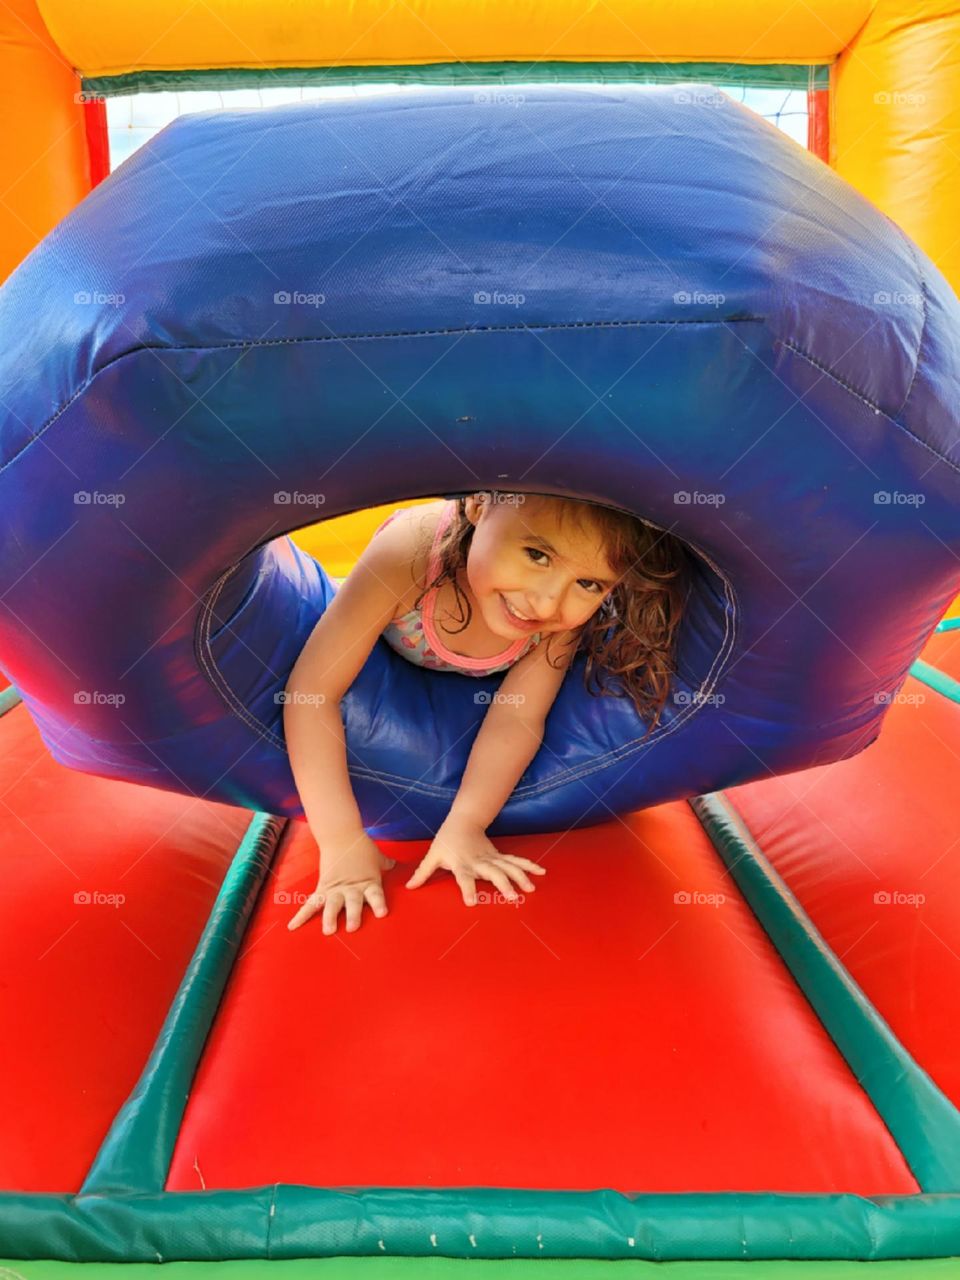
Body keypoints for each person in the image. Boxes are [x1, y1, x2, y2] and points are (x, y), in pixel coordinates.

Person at [284, 491, 691, 935]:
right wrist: (341, 843)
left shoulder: (562, 622)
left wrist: (466, 825)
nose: (547, 602)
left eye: (590, 584)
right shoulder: (409, 554)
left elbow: (516, 717)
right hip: (394, 635)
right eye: (537, 555)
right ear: (479, 505)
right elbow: (313, 692)